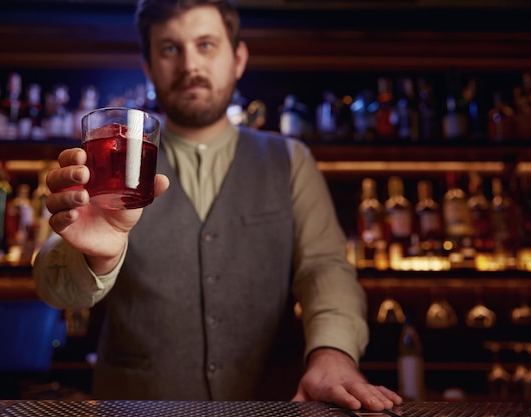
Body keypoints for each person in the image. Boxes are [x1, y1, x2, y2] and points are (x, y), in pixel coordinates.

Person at [33, 0, 402, 411]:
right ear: (149, 67)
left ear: (238, 58)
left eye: (206, 44)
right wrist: (93, 257)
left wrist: (333, 353)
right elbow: (53, 284)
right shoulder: (115, 157)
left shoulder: (291, 160)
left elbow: (325, 268)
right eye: (170, 49)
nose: (190, 65)